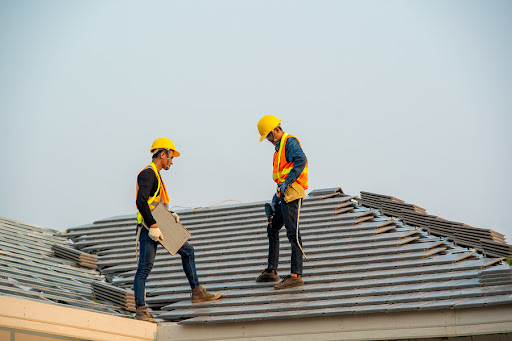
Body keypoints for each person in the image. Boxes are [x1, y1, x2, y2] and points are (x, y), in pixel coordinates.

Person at [134, 138, 221, 322]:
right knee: (144, 268)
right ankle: (141, 311)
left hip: (159, 222)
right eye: (171, 158)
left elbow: (152, 203)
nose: (172, 162)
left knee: (188, 251)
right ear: (163, 154)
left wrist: (168, 214)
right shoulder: (148, 174)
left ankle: (197, 291)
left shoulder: (155, 175)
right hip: (149, 227)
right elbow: (141, 202)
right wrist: (153, 225)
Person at [256, 115, 308, 289]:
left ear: (275, 130)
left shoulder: (289, 143)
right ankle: (272, 271)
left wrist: (288, 182)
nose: (269, 141)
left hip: (292, 192)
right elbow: (280, 179)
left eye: (268, 137)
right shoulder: (278, 150)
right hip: (283, 194)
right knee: (272, 228)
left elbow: (301, 160)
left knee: (293, 233)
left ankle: (296, 275)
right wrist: (274, 200)